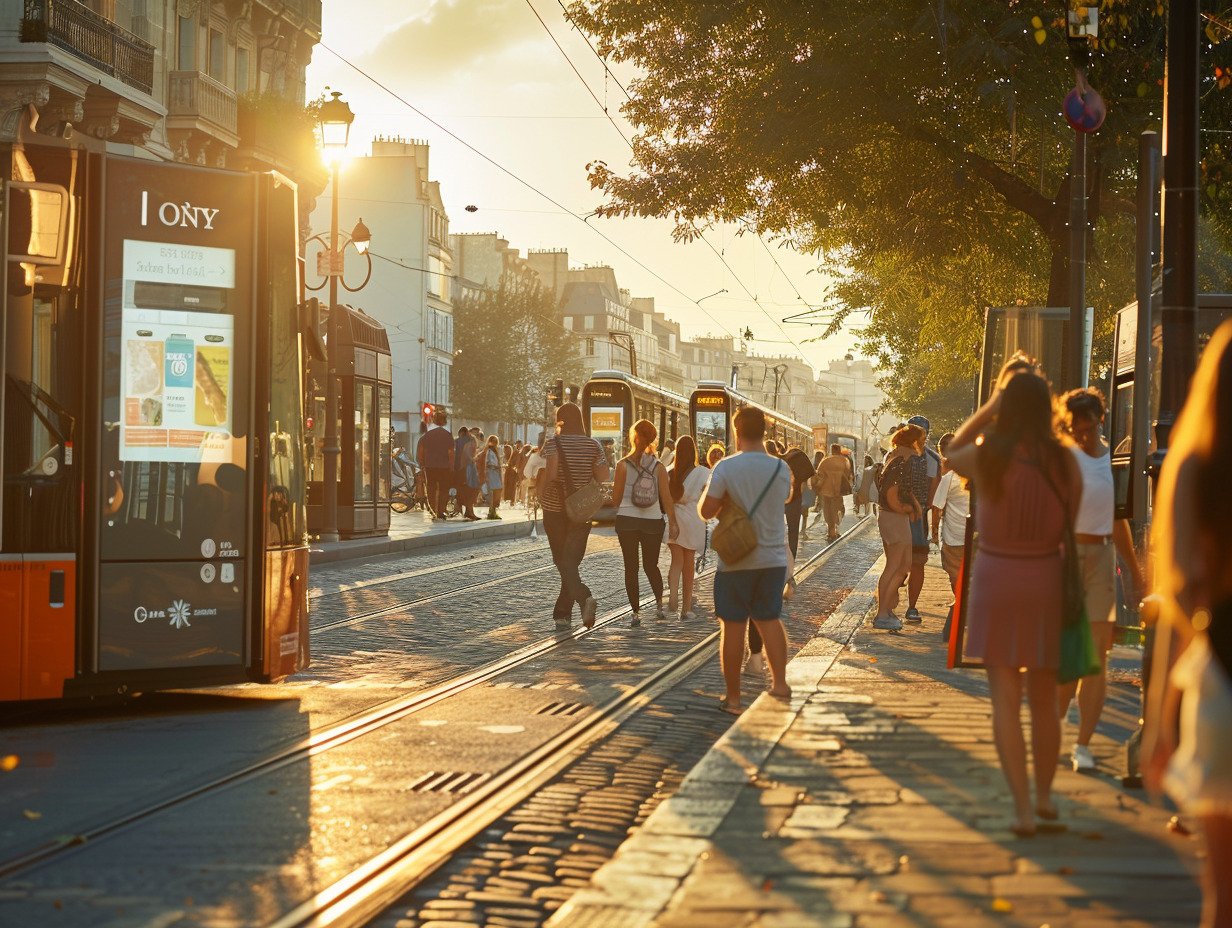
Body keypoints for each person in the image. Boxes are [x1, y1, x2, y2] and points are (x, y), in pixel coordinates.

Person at [946, 362, 1078, 836]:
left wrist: (990, 408)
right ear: (1047, 408)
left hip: (997, 577)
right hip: (1045, 577)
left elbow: (952, 451)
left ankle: (1022, 809)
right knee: (1044, 699)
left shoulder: (990, 454)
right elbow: (1072, 521)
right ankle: (1044, 798)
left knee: (1005, 700)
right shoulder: (1064, 460)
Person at [1144, 319, 1232, 928]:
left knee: (1222, 898)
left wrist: (1158, 726)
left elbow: (1176, 606)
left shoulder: (1195, 471)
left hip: (1222, 680)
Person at [1057, 388, 1147, 773]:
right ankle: (1053, 730)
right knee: (1068, 655)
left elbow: (1118, 518)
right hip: (1065, 559)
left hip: (1101, 555)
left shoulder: (1115, 459)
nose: (1084, 436)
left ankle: (1083, 745)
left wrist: (1135, 571)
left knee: (1096, 658)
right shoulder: (1063, 458)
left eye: (1090, 428)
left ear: (1101, 420)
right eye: (1077, 429)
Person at [700, 406, 793, 714]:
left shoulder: (726, 468)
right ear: (764, 432)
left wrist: (725, 499)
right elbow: (785, 498)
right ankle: (779, 684)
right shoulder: (780, 468)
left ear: (736, 431)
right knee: (769, 620)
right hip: (772, 558)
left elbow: (706, 511)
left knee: (734, 627)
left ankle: (735, 699)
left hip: (736, 560)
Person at [539, 403, 609, 628]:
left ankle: (584, 597)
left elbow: (550, 475)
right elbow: (603, 475)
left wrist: (540, 494)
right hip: (581, 510)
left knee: (562, 561)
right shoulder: (593, 445)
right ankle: (562, 614)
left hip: (555, 509)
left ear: (561, 420)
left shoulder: (553, 444)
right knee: (570, 561)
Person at [611, 419, 679, 626]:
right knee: (651, 565)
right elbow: (666, 498)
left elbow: (615, 499)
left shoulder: (622, 465)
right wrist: (673, 522)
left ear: (634, 437)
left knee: (631, 567)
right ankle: (659, 605)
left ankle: (635, 612)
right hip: (652, 522)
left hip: (627, 521)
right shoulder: (659, 468)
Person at [872, 426, 925, 630]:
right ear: (913, 441)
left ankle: (885, 610)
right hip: (894, 517)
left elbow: (902, 489)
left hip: (895, 517)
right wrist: (906, 508)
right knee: (895, 566)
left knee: (902, 566)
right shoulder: (901, 461)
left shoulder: (895, 458)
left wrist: (913, 507)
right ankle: (883, 613)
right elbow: (893, 494)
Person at [931, 432, 969, 640]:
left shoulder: (949, 478)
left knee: (956, 579)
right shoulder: (976, 474)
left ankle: (959, 614)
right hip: (975, 536)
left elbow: (937, 508)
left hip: (954, 538)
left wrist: (934, 534)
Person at [904, 415, 942, 624]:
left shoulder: (894, 454)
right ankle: (910, 607)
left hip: (899, 517)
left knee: (899, 563)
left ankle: (892, 608)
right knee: (916, 563)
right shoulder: (932, 459)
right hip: (917, 519)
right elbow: (931, 498)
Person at [667, 435, 709, 619]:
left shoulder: (670, 472)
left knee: (676, 562)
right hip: (693, 520)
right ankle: (686, 608)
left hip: (674, 518)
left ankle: (673, 598)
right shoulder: (703, 472)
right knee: (689, 565)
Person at [416, 409, 455, 520]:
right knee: (443, 489)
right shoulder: (447, 435)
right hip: (444, 467)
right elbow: (451, 453)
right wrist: (452, 467)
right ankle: (441, 510)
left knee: (431, 488)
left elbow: (420, 452)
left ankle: (433, 510)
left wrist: (422, 465)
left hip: (430, 467)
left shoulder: (427, 436)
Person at [814, 443, 852, 542]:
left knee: (828, 509)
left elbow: (819, 475)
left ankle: (830, 529)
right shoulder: (845, 461)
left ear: (832, 450)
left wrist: (817, 487)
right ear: (839, 450)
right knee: (838, 508)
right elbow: (848, 475)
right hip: (838, 490)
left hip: (826, 489)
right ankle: (835, 527)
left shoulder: (826, 461)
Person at [453, 426, 479, 521]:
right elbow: (466, 452)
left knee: (462, 489)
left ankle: (460, 507)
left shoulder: (456, 441)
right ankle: (469, 511)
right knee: (472, 489)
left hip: (458, 468)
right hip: (468, 467)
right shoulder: (471, 440)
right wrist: (472, 458)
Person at [479, 435, 504, 519]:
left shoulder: (496, 451)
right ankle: (491, 511)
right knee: (492, 492)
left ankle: (493, 510)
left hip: (495, 473)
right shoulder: (488, 451)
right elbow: (485, 462)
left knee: (498, 491)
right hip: (491, 472)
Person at [800, 450, 821, 542]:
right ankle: (803, 529)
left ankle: (803, 529)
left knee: (804, 512)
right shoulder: (811, 468)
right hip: (804, 491)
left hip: (804, 492)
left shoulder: (809, 468)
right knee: (804, 512)